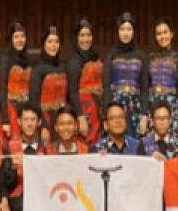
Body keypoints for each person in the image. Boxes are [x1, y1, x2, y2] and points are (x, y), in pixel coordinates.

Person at [4, 103, 47, 211]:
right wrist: (13, 169)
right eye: (26, 120)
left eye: (33, 120)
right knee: (20, 205)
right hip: (18, 193)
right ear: (19, 122)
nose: (29, 124)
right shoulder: (10, 146)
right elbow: (5, 181)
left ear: (39, 122)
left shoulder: (46, 148)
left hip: (41, 194)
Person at [104, 12, 149, 138]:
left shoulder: (142, 56)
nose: (125, 33)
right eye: (122, 29)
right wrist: (106, 114)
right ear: (117, 31)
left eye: (129, 29)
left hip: (136, 107)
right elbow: (106, 87)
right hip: (116, 105)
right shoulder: (111, 55)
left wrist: (144, 114)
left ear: (134, 31)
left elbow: (145, 88)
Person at [68, 17, 104, 147]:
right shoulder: (74, 61)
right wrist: (80, 117)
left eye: (88, 35)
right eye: (82, 35)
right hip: (84, 111)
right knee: (85, 144)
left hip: (98, 109)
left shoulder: (95, 56)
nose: (85, 39)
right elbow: (72, 91)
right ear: (76, 38)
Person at [146, 18, 178, 136]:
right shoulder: (150, 58)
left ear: (171, 34)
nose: (162, 36)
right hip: (152, 104)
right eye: (158, 33)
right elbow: (145, 86)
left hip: (171, 104)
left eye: (165, 32)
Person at [29, 25, 69, 137]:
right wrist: (43, 127)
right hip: (45, 120)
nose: (53, 45)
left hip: (63, 120)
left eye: (56, 42)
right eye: (50, 42)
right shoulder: (38, 69)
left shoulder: (64, 66)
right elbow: (33, 101)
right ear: (43, 44)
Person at [1, 20, 32, 141]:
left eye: (22, 36)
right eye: (16, 37)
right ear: (11, 39)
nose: (20, 40)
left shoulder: (29, 59)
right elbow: (2, 90)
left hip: (26, 111)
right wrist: (5, 120)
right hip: (11, 110)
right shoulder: (6, 59)